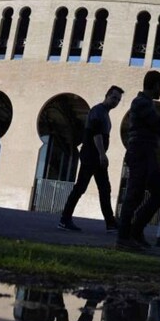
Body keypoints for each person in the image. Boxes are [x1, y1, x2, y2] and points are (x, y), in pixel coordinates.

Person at [58, 85, 123, 232]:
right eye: (114, 98)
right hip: (91, 156)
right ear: (107, 95)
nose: (116, 102)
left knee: (104, 189)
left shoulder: (105, 113)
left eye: (118, 100)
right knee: (81, 187)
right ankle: (64, 219)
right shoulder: (98, 111)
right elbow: (96, 134)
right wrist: (102, 154)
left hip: (96, 158)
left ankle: (110, 223)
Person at [116, 70, 160, 250]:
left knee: (159, 192)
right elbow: (159, 124)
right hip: (140, 152)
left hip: (148, 153)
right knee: (134, 193)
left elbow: (159, 126)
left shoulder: (147, 104)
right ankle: (123, 237)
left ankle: (136, 231)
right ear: (154, 85)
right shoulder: (140, 103)